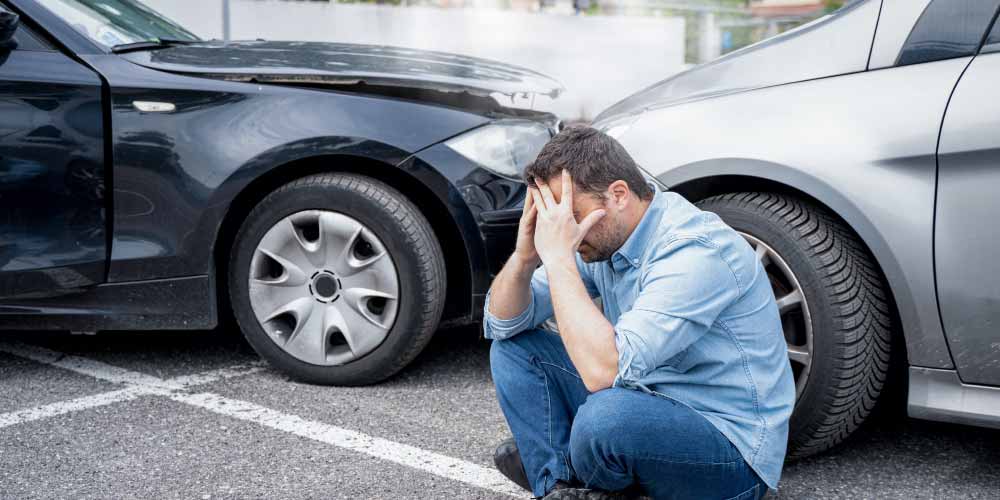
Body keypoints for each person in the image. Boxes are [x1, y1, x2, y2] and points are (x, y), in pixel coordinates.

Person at [485, 125, 795, 500]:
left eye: (572, 215)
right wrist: (524, 257)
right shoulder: (603, 237)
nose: (566, 230)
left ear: (618, 195)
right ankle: (558, 488)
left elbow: (604, 372)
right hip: (643, 400)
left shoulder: (694, 250)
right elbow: (503, 322)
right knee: (514, 350)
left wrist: (559, 258)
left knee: (603, 421)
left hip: (728, 449)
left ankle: (574, 465)